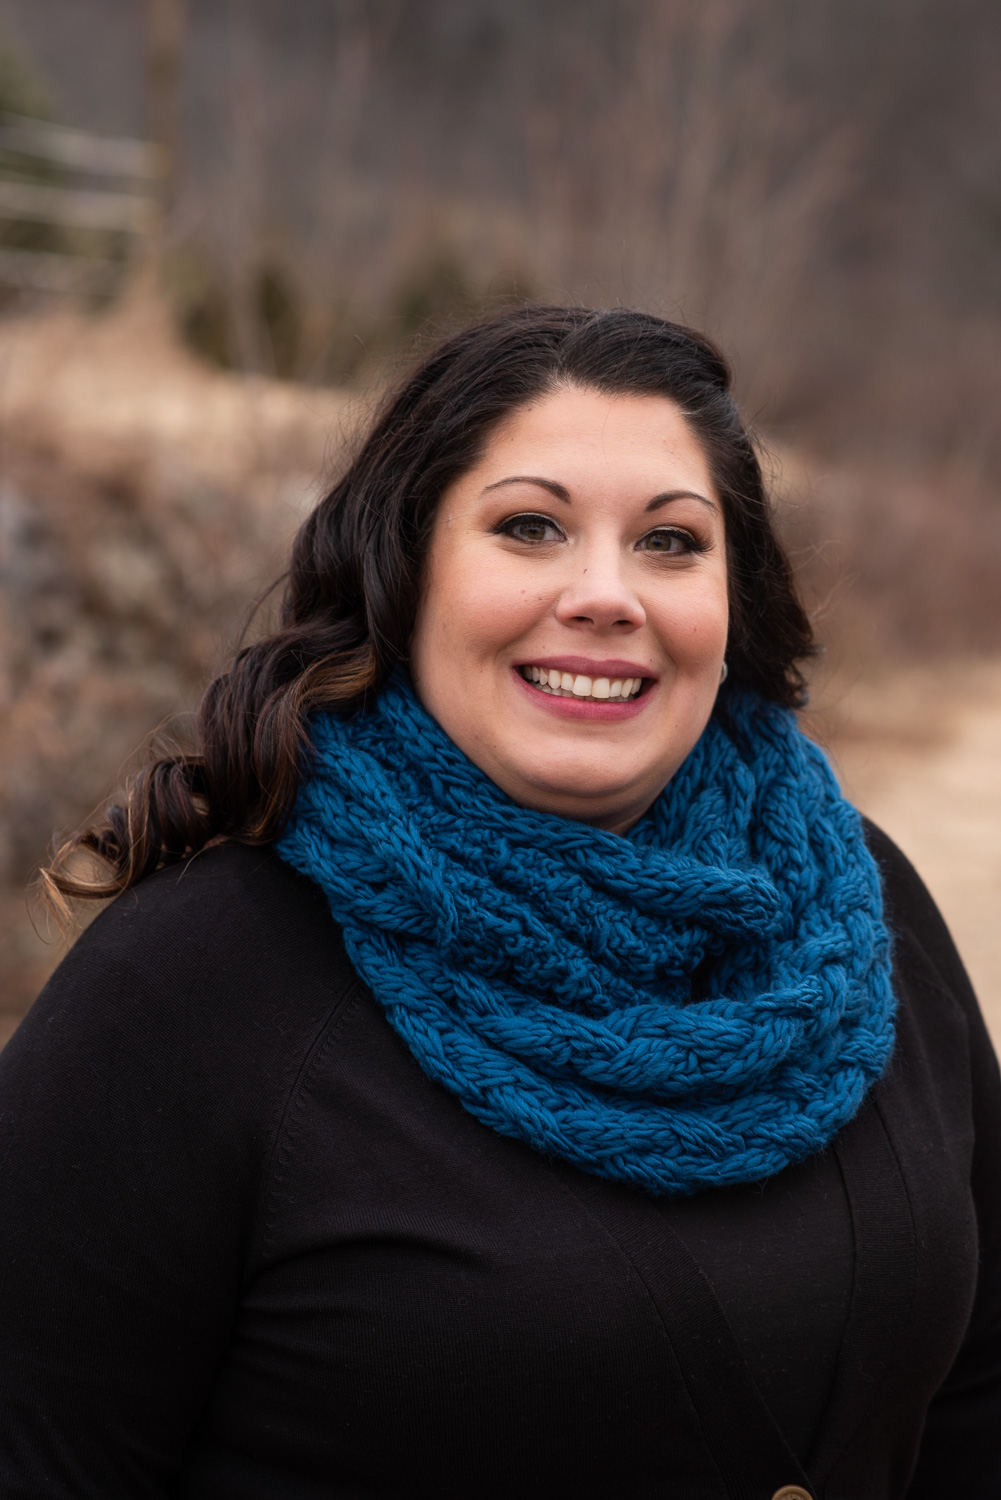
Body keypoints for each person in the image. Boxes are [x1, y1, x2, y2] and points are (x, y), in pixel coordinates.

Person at [1, 306, 998, 1500]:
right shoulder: (188, 988)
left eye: (670, 543)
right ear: (406, 571)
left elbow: (977, 1388)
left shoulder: (852, 902)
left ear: (733, 601)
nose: (604, 594)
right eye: (529, 528)